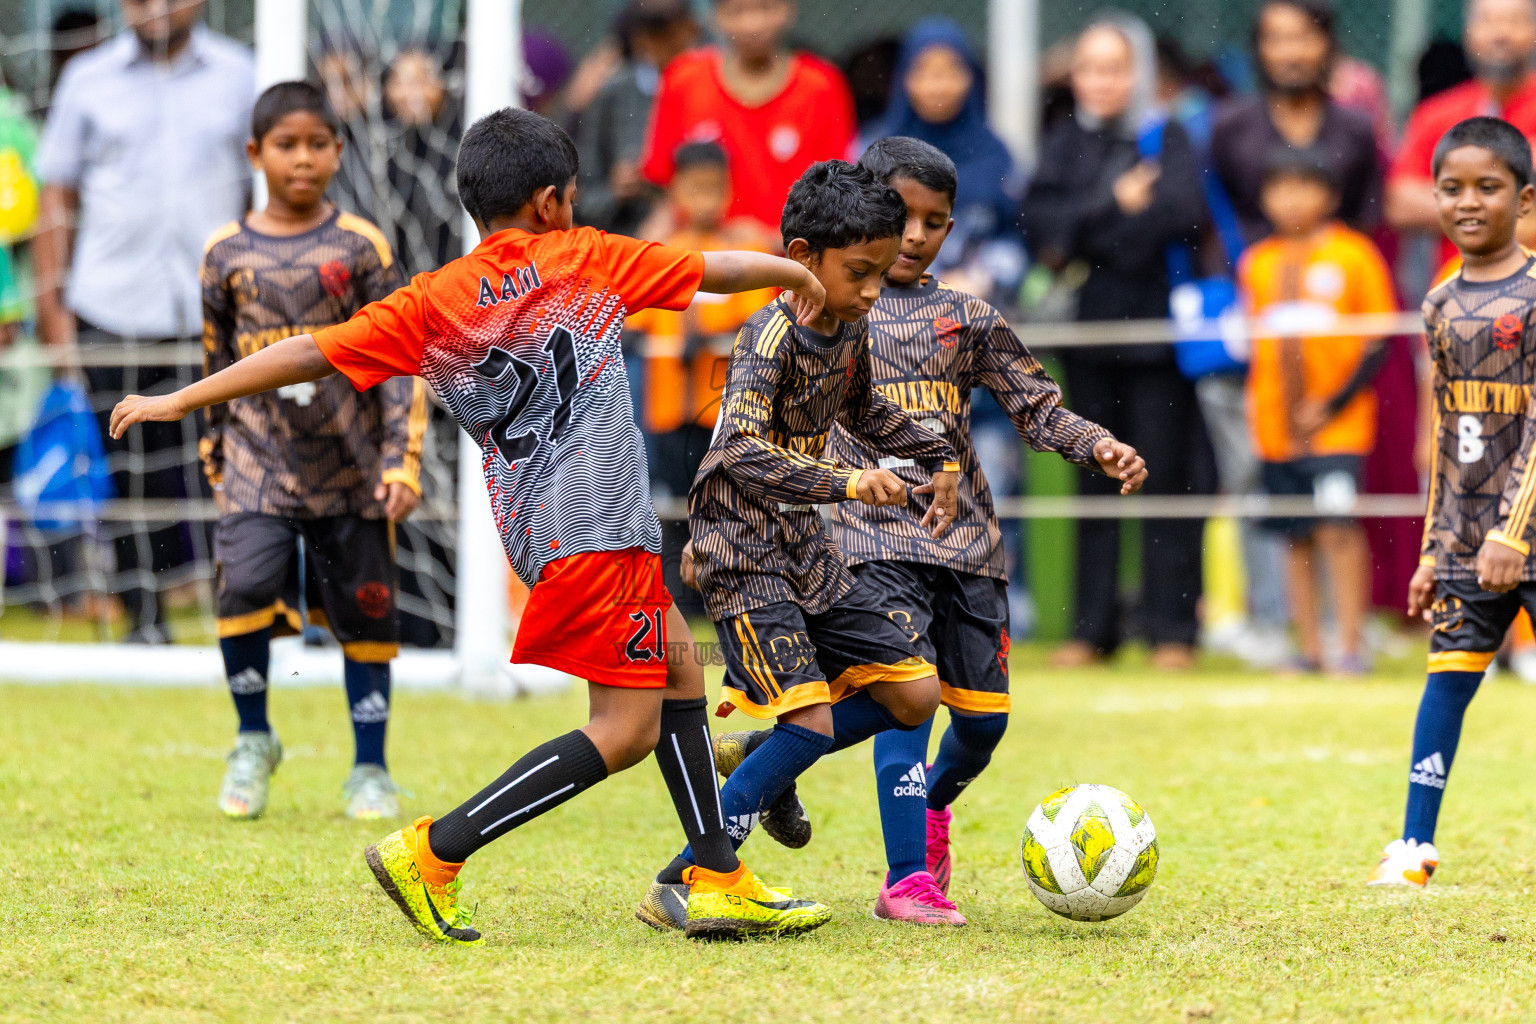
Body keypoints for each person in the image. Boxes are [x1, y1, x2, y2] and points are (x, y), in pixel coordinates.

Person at [111, 107, 837, 943]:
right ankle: (434, 852)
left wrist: (182, 397)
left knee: (678, 667)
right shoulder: (585, 257)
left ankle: (715, 874)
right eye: (570, 197)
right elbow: (715, 270)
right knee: (625, 731)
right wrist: (799, 275)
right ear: (551, 200)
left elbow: (309, 350)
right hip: (597, 525)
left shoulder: (434, 300)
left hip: (545, 531)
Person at [702, 137, 1143, 927]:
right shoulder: (827, 309)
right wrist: (846, 484)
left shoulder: (966, 317)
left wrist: (1096, 443)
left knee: (981, 724)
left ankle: (780, 761)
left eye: (933, 222)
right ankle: (906, 877)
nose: (913, 236)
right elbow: (752, 437)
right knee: (909, 694)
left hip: (965, 544)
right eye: (901, 217)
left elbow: (1036, 407)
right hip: (866, 539)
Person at [632, 160, 962, 930]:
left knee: (914, 693)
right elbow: (740, 451)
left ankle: (762, 755)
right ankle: (682, 879)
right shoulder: (766, 334)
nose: (874, 290)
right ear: (803, 255)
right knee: (810, 722)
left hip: (802, 547)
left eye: (883, 272)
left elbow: (865, 410)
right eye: (860, 272)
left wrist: (936, 454)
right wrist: (848, 482)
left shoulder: (848, 325)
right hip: (741, 553)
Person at [198, 83, 425, 822]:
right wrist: (213, 452)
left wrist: (400, 459)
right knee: (241, 586)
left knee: (367, 611)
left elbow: (401, 359)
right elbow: (215, 360)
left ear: (338, 150)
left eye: (317, 144)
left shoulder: (361, 247)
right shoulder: (225, 253)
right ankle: (253, 737)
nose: (302, 159)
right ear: (255, 152)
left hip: (351, 468)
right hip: (255, 463)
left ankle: (370, 769)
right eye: (286, 145)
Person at [34, 0, 254, 642]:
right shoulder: (87, 79)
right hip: (111, 310)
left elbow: (258, 193)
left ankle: (241, 618)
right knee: (127, 476)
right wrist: (54, 314)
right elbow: (56, 196)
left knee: (220, 468)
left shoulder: (242, 74)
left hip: (213, 315)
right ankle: (144, 624)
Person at [1370, 117, 1536, 887]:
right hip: (1469, 541)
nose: (1468, 202)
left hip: (1524, 533)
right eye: (1451, 188)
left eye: (1488, 187)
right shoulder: (1438, 304)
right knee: (1446, 679)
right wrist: (1435, 550)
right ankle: (1414, 847)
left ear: (1524, 200)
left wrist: (1514, 532)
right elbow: (1446, 434)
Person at [1020, 14, 1211, 670]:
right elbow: (1040, 227)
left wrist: (1094, 231)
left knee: (1164, 480)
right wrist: (1112, 206)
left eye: (1116, 69)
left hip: (1158, 340)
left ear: (1141, 73)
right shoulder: (1064, 140)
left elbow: (1181, 214)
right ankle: (1091, 630)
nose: (1102, 83)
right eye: (1090, 69)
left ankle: (1171, 630)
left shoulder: (1167, 134)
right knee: (1093, 476)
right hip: (1089, 338)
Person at [1239, 151, 1396, 674]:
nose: (1291, 200)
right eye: (1279, 188)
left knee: (1338, 528)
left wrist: (1331, 405)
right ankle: (1307, 649)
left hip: (1338, 430)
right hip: (1275, 431)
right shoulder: (1258, 262)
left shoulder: (1354, 255)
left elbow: (1378, 339)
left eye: (1304, 187)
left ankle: (1350, 646)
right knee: (1295, 534)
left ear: (1329, 196)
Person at [625, 141, 776, 611]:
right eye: (695, 188)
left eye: (714, 188)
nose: (706, 200)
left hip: (724, 414)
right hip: (669, 408)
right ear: (674, 190)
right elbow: (636, 321)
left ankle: (725, 600)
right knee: (672, 508)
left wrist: (709, 337)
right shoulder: (662, 251)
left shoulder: (744, 250)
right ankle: (680, 604)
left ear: (729, 189)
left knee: (723, 506)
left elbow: (754, 320)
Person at [639, 0, 856, 232]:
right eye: (737, 11)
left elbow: (836, 198)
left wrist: (767, 241)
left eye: (766, 8)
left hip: (793, 250)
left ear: (788, 9)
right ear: (716, 16)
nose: (752, 24)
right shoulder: (682, 80)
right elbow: (664, 186)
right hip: (701, 250)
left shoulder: (822, 86)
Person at [870, 18, 1022, 303]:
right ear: (904, 79)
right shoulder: (876, 156)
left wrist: (980, 278)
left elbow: (1015, 238)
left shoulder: (995, 156)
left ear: (970, 78)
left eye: (950, 71)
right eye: (924, 72)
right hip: (890, 312)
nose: (938, 86)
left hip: (977, 309)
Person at [1211, 0, 1380, 247]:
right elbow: (1213, 218)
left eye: (1304, 37)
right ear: (1258, 46)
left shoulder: (1356, 131)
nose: (1291, 54)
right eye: (1277, 39)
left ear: (1328, 42)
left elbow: (1365, 222)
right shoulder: (1229, 127)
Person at [1389, 0, 1536, 264]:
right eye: (1488, 21)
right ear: (1469, 33)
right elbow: (1400, 201)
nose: (1500, 34)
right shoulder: (1436, 113)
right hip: (1457, 279)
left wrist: (1458, 195)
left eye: (1514, 21)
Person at [574, 0, 699, 237]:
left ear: (690, 30)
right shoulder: (613, 96)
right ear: (639, 39)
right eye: (656, 36)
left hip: (702, 234)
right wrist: (615, 191)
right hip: (632, 237)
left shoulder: (712, 83)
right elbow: (581, 197)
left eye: (673, 35)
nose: (666, 47)